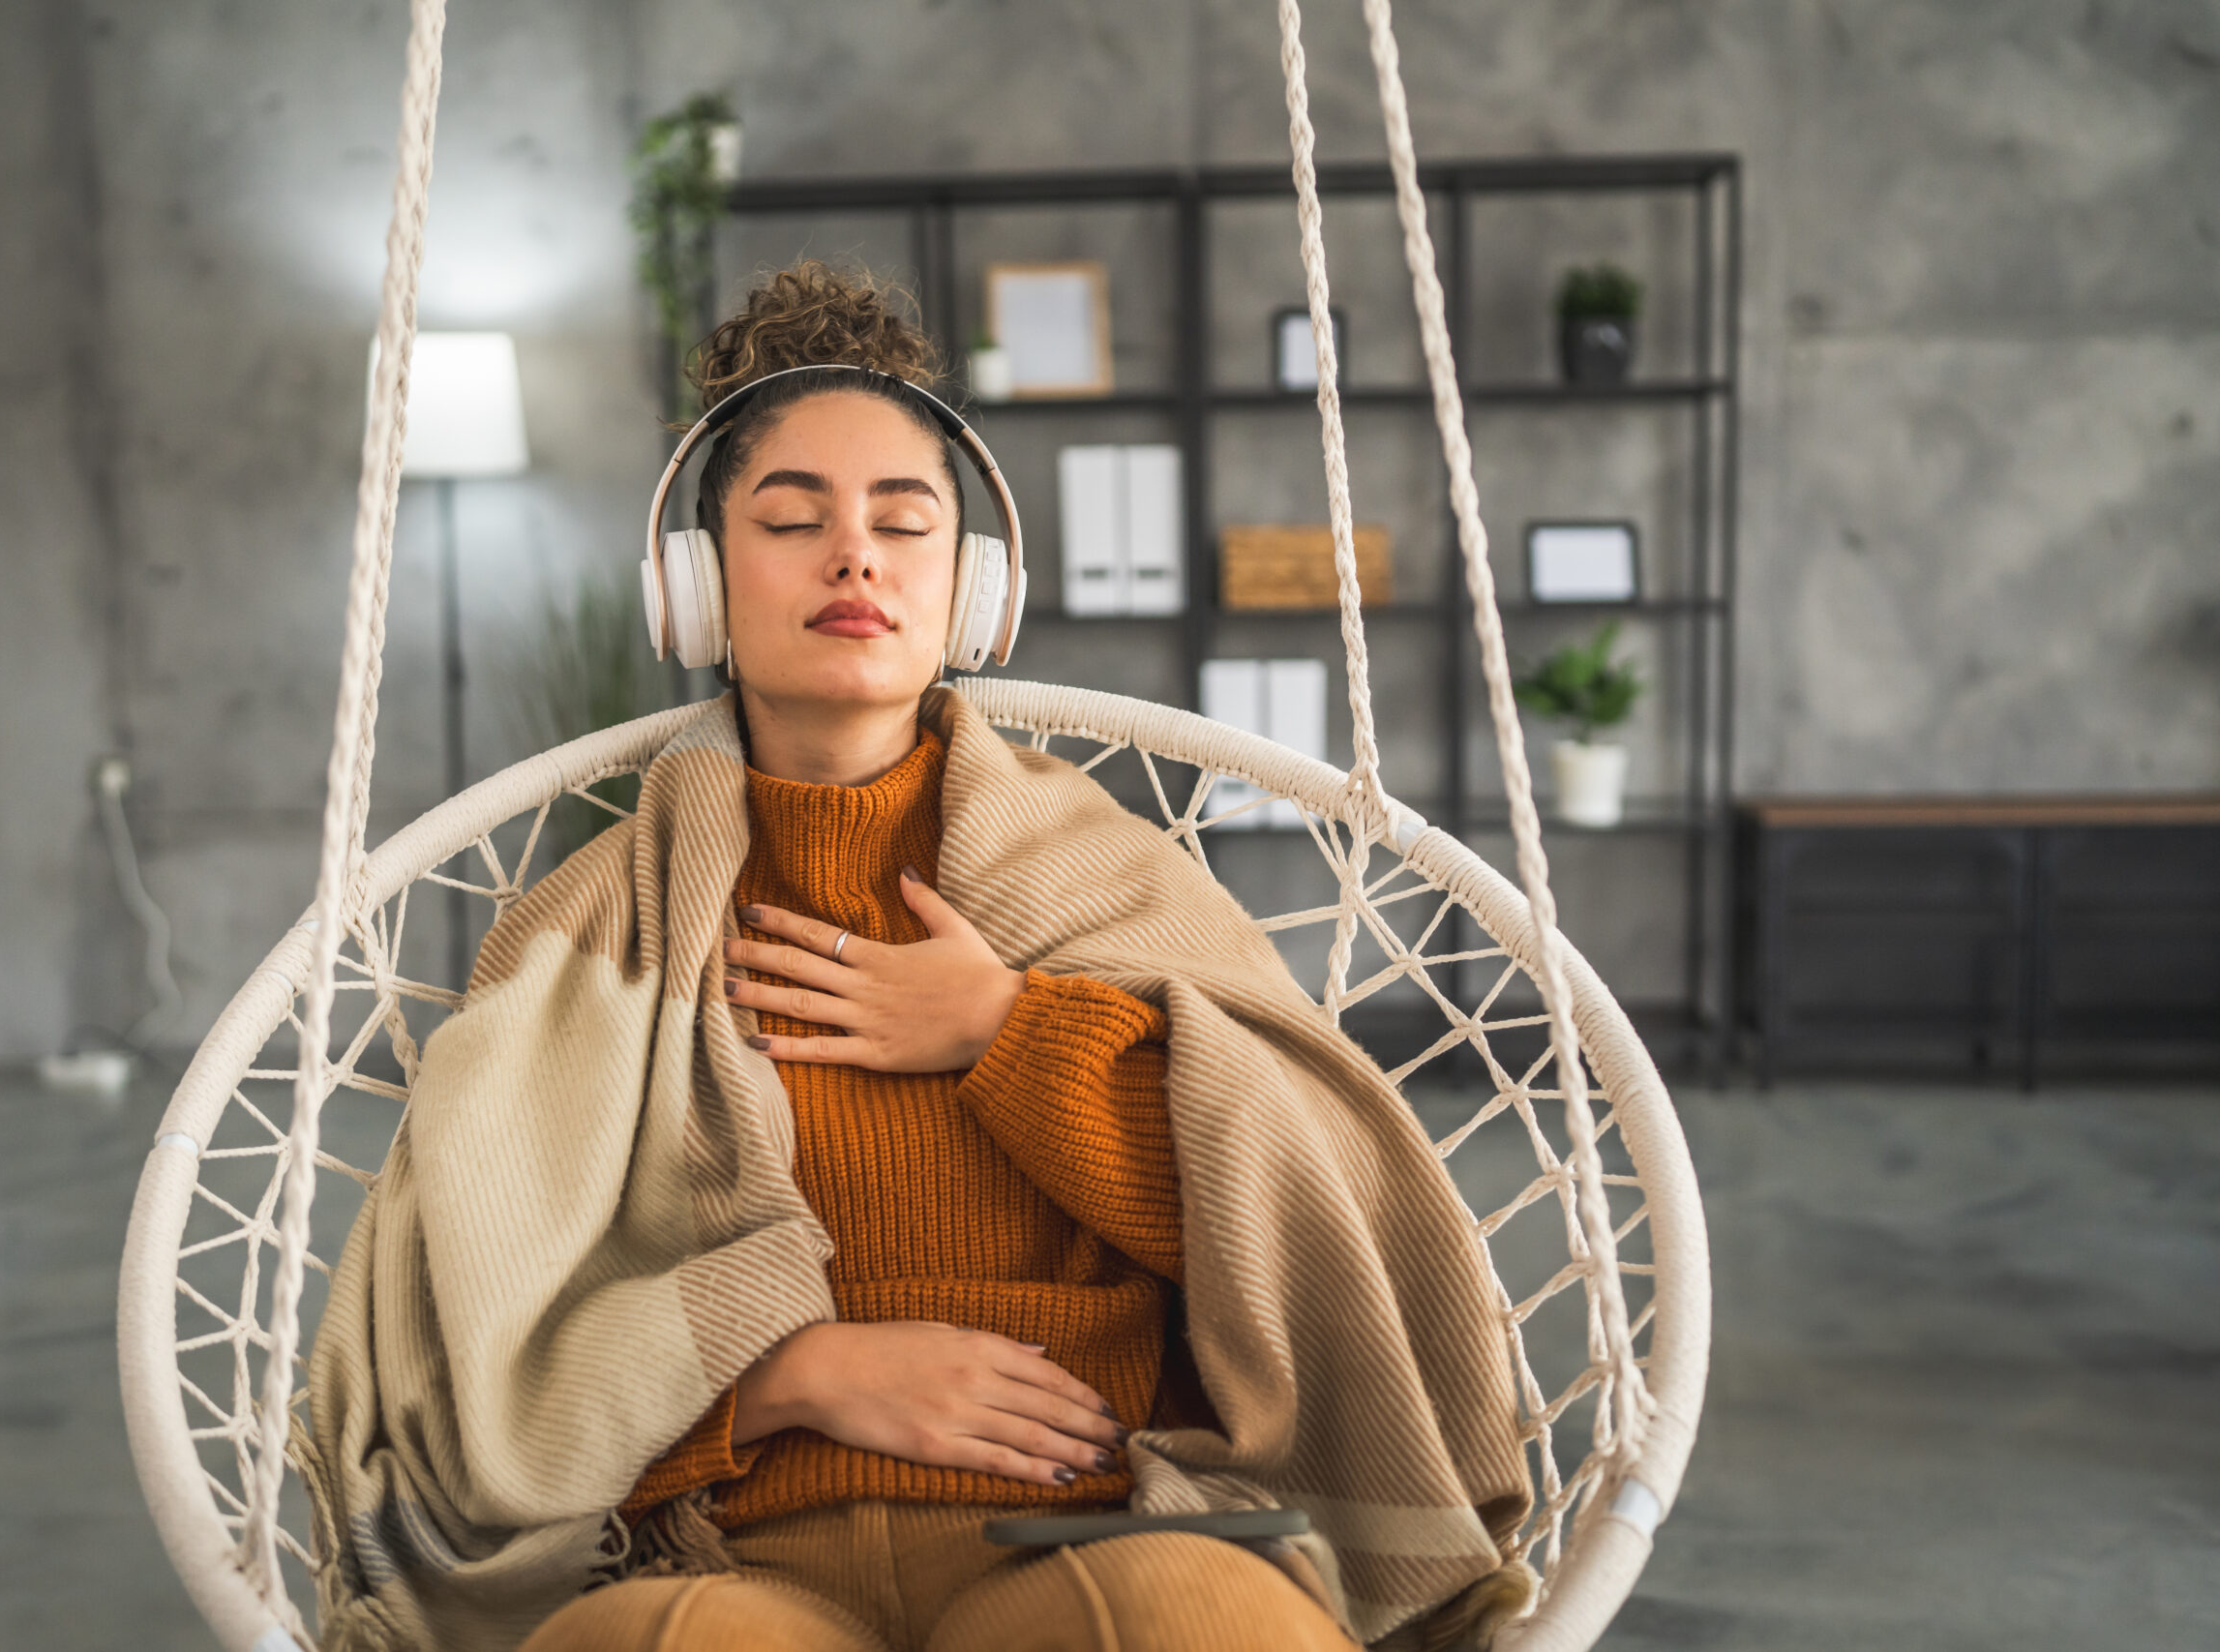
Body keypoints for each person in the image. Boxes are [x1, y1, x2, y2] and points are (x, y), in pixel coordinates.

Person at [302, 261, 1530, 1652]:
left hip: (1093, 1531)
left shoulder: (1109, 879)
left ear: (973, 588)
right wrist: (779, 1376)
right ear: (695, 587)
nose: (856, 558)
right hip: (732, 1549)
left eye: (904, 520)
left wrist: (1012, 1030)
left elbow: (1291, 1220)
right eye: (790, 518)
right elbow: (488, 1348)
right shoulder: (591, 938)